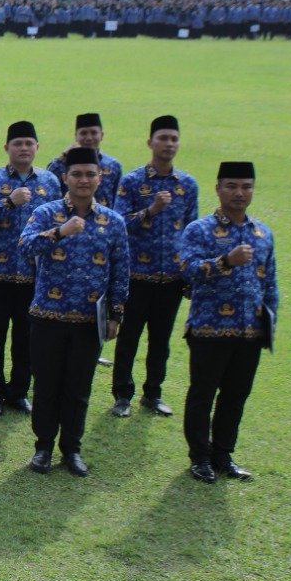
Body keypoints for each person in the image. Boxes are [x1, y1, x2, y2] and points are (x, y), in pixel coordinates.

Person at [19, 148, 129, 477]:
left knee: (79, 389)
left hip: (88, 322)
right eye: (77, 174)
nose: (83, 180)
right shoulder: (46, 213)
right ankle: (43, 447)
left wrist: (115, 314)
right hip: (47, 316)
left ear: (100, 177)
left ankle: (72, 448)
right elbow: (25, 247)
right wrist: (60, 232)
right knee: (46, 386)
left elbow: (120, 270)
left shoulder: (113, 221)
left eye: (90, 174)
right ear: (65, 178)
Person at [179, 162, 277, 483]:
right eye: (232, 186)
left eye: (246, 186)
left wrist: (269, 323)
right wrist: (224, 261)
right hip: (209, 330)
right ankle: (199, 457)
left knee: (235, 396)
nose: (239, 193)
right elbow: (187, 271)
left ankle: (223, 455)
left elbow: (270, 283)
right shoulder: (199, 230)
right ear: (218, 188)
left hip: (249, 332)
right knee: (202, 395)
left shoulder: (262, 233)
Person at [0, 121, 60, 417]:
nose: (23, 148)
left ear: (37, 147)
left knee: (27, 339)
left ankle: (19, 392)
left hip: (33, 277)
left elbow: (58, 223)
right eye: (17, 143)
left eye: (28, 143)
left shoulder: (49, 182)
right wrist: (8, 203)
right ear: (6, 148)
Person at [110, 116, 198, 417]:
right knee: (129, 338)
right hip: (137, 276)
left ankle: (153, 393)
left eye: (173, 139)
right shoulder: (133, 181)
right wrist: (151, 210)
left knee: (160, 341)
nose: (168, 144)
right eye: (163, 138)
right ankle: (122, 395)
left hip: (171, 278)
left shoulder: (187, 185)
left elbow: (191, 232)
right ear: (150, 143)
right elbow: (120, 224)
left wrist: (189, 275)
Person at [47, 112, 123, 207]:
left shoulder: (113, 165)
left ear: (102, 135)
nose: (89, 138)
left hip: (104, 215)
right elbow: (47, 180)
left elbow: (118, 200)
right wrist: (63, 156)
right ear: (76, 136)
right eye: (83, 133)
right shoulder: (62, 163)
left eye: (94, 133)